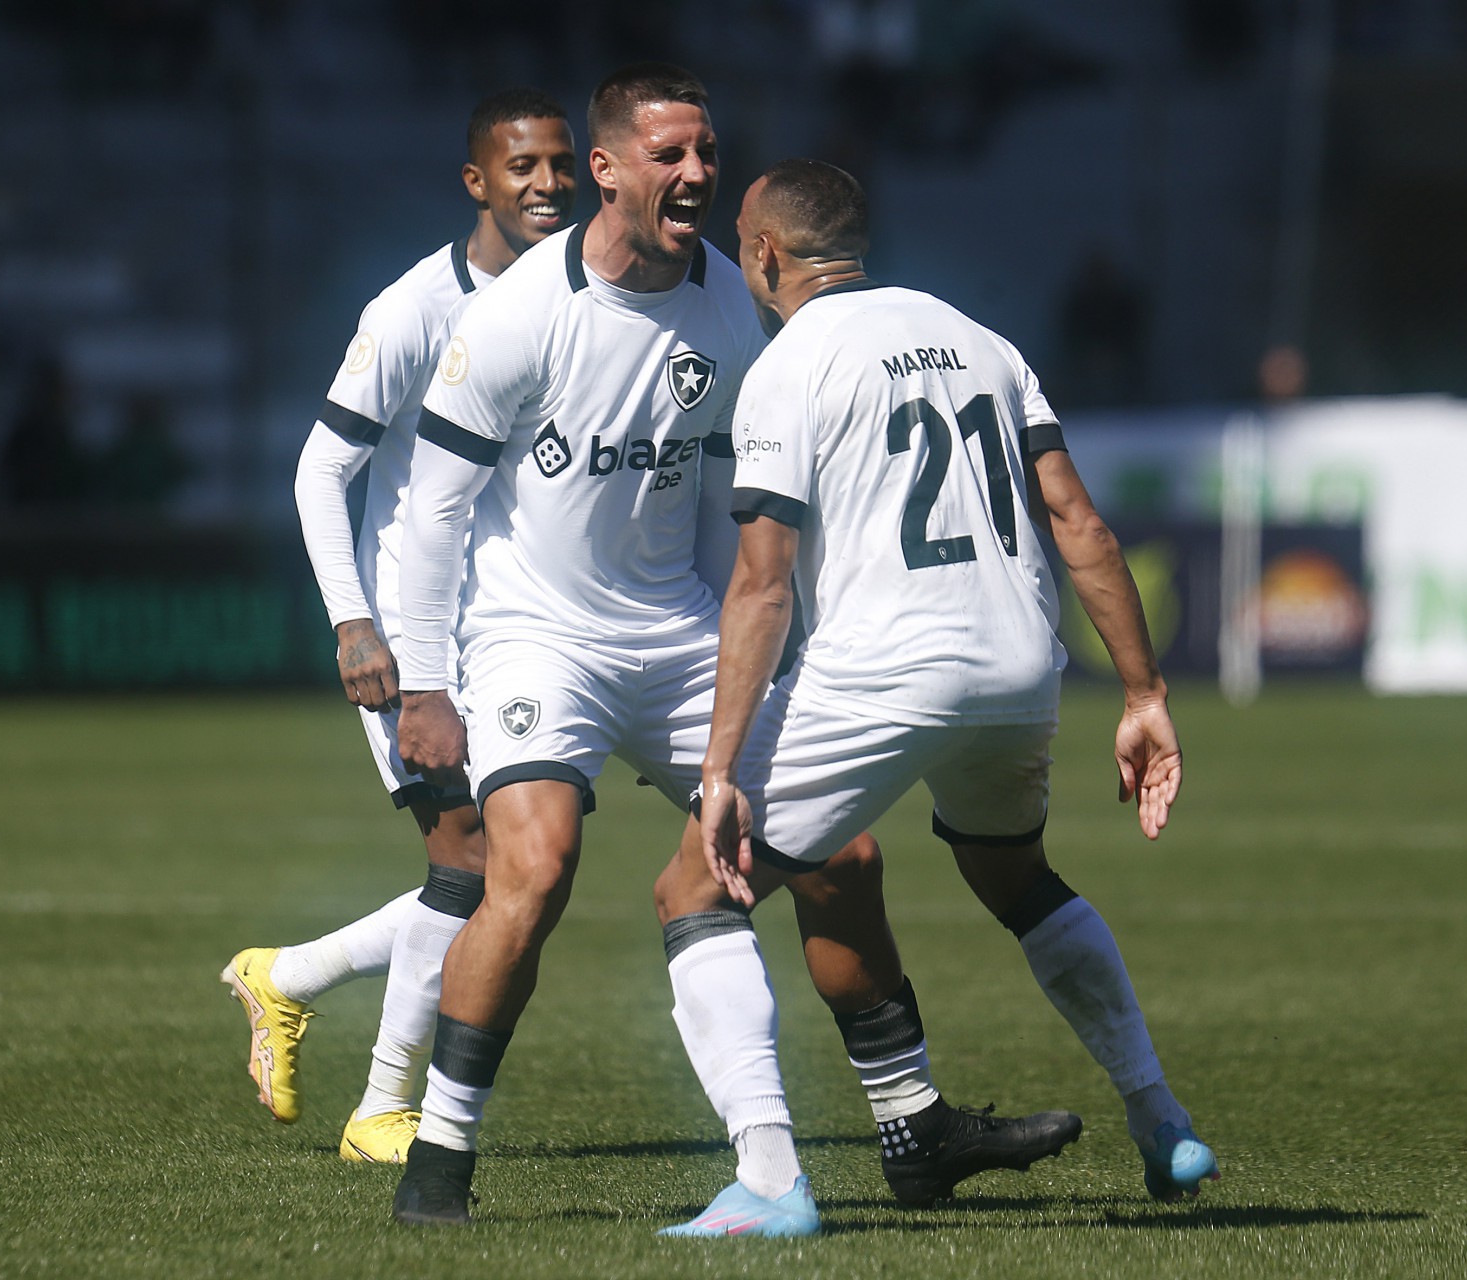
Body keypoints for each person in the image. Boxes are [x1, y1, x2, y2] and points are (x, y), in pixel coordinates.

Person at [391, 63, 1078, 1235]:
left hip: (678, 630)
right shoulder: (515, 316)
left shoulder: (732, 309)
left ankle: (914, 1127)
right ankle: (439, 1154)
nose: (698, 172)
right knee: (538, 868)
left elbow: (741, 499)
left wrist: (761, 644)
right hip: (535, 640)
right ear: (606, 169)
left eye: (707, 151)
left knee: (841, 855)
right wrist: (423, 681)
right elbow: (434, 505)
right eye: (669, 154)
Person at [659, 157, 1220, 1231]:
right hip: (1019, 668)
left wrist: (720, 765)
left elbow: (763, 583)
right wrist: (1143, 692)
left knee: (694, 889)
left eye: (742, 243)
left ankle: (769, 1182)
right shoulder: (980, 339)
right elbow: (1079, 524)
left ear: (765, 252)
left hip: (884, 670)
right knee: (1015, 875)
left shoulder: (790, 365)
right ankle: (1161, 1119)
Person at [219, 88, 578, 1163]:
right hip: (415, 635)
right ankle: (380, 1104)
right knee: (474, 858)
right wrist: (355, 623)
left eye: (560, 163)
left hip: (521, 625)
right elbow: (320, 469)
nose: (547, 184)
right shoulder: (415, 309)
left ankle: (287, 978)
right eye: (522, 166)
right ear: (477, 181)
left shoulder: (578, 293)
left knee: (505, 869)